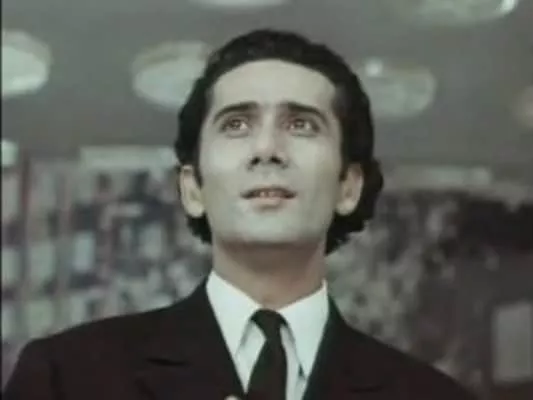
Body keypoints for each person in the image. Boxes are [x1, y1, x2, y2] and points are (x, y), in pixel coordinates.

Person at [3, 29, 478, 400]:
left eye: (301, 124)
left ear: (348, 186)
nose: (267, 148)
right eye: (236, 124)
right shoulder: (67, 378)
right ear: (193, 188)